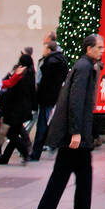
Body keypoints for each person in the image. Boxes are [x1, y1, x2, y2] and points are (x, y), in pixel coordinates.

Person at [34, 34, 104, 209]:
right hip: (74, 135)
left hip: (77, 134)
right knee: (61, 177)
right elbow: (76, 101)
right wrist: (76, 132)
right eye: (99, 47)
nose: (102, 50)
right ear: (89, 48)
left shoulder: (87, 66)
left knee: (83, 174)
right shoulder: (84, 68)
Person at [0, 52, 36, 164]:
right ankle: (5, 158)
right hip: (23, 110)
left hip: (15, 110)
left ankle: (24, 150)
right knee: (14, 133)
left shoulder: (21, 75)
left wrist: (4, 106)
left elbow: (12, 90)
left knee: (11, 134)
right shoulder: (31, 75)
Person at [30, 34, 67, 162]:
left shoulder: (49, 62)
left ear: (49, 49)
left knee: (42, 123)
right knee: (46, 120)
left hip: (46, 97)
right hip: (55, 96)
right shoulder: (62, 60)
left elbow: (43, 82)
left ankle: (37, 151)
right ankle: (49, 144)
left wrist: (38, 94)